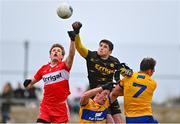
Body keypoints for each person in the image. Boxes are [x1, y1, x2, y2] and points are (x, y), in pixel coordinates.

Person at [69, 21, 133, 123]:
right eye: (101, 45)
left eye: (105, 47)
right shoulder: (91, 56)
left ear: (110, 52)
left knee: (119, 121)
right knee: (109, 121)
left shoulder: (114, 61)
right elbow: (79, 47)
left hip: (110, 94)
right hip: (98, 96)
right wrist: (77, 32)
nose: (101, 48)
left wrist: (129, 73)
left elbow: (127, 74)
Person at [23, 31, 76, 123]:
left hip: (60, 109)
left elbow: (71, 55)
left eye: (58, 51)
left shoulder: (64, 66)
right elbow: (30, 83)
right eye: (53, 50)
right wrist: (27, 83)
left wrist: (72, 40)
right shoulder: (43, 68)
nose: (56, 51)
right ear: (50, 55)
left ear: (62, 56)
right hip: (46, 107)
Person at [110, 57, 158, 123]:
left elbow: (115, 92)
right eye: (153, 69)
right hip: (146, 116)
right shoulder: (153, 83)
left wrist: (121, 82)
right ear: (149, 71)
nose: (154, 71)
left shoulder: (128, 78)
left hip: (130, 118)